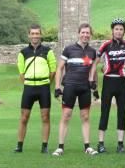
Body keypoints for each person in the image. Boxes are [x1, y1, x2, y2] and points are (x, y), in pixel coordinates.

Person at [52, 23, 99, 156]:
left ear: (90, 35)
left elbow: (94, 71)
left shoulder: (92, 52)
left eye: (87, 33)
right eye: (83, 32)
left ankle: (87, 147)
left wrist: (95, 88)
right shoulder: (69, 49)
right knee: (66, 116)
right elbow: (59, 68)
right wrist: (57, 87)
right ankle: (60, 147)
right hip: (70, 86)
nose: (85, 35)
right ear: (78, 33)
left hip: (85, 87)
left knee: (85, 116)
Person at [13, 24, 57, 154]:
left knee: (45, 117)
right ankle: (19, 145)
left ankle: (44, 146)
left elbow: (53, 70)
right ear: (29, 35)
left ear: (41, 35)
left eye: (37, 33)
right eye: (32, 33)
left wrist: (46, 83)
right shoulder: (23, 53)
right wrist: (28, 83)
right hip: (29, 88)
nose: (35, 36)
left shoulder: (48, 51)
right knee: (24, 117)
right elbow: (21, 73)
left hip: (43, 87)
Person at [95, 18, 125, 154]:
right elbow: (96, 61)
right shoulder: (106, 45)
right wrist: (93, 80)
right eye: (116, 29)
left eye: (121, 29)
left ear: (124, 31)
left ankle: (120, 144)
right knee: (104, 112)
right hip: (108, 81)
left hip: (122, 82)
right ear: (112, 30)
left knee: (122, 113)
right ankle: (100, 144)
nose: (118, 31)